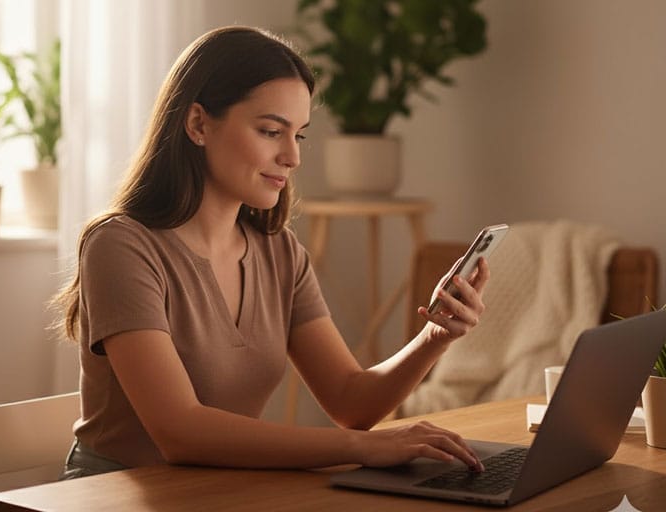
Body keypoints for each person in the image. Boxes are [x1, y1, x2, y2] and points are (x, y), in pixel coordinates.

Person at [52, 25, 490, 479]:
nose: (292, 157)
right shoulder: (121, 246)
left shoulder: (279, 252)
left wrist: (434, 338)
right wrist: (363, 447)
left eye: (298, 136)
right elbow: (180, 431)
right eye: (269, 131)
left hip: (225, 490)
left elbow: (349, 400)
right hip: (117, 494)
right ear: (198, 123)